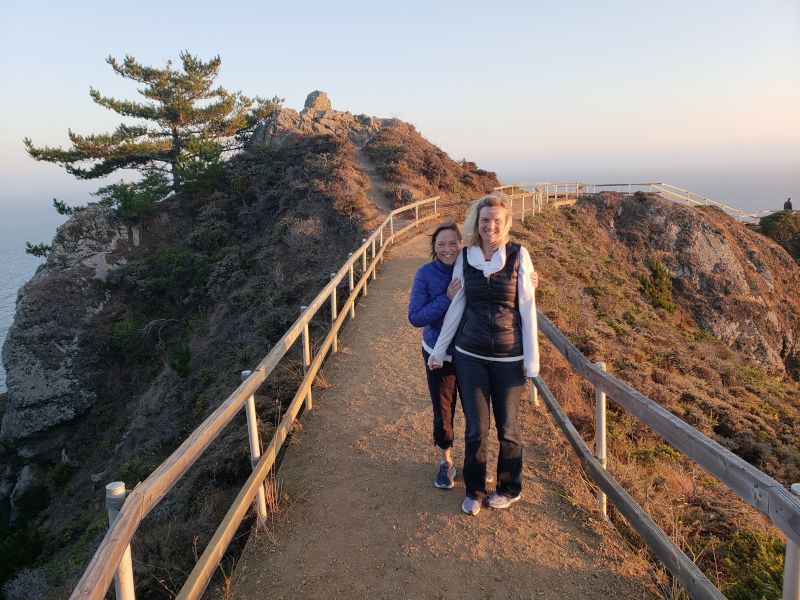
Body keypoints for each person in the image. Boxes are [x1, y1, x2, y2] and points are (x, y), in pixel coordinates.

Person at [428, 192, 539, 516]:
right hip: (470, 355)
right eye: (485, 219)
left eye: (497, 220)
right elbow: (458, 305)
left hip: (509, 358)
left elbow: (528, 310)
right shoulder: (466, 257)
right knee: (476, 426)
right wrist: (439, 350)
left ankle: (508, 487)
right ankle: (475, 490)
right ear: (477, 221)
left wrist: (531, 365)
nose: (490, 225)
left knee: (508, 427)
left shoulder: (519, 256)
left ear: (505, 224)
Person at [408, 220, 463, 489]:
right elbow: (415, 317)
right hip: (437, 354)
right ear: (434, 247)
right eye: (441, 244)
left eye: (453, 242)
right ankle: (446, 462)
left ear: (461, 244)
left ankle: (476, 463)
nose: (447, 249)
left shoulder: (471, 270)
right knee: (443, 413)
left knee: (478, 414)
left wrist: (527, 277)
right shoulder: (425, 274)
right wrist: (446, 298)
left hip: (470, 353)